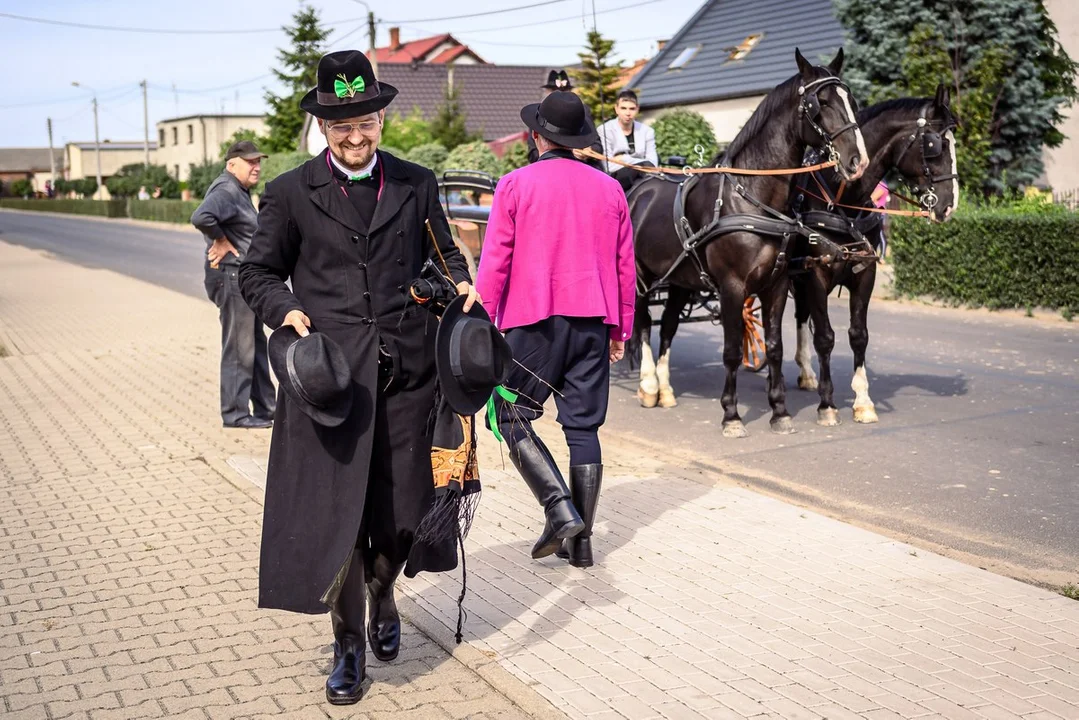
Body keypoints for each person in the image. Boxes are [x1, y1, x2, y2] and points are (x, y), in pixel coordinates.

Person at [238, 50, 478, 706]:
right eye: (339, 125)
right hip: (328, 382)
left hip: (409, 377)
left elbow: (446, 251)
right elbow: (255, 273)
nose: (353, 136)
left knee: (402, 515)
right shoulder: (289, 193)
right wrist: (284, 310)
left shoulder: (415, 182)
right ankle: (347, 643)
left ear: (380, 118)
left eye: (365, 122)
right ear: (320, 125)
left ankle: (384, 592)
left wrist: (461, 283)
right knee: (337, 518)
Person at [476, 91, 636, 569]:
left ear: (537, 136)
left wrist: (483, 319)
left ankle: (559, 509)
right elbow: (625, 266)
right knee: (583, 427)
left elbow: (496, 260)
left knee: (507, 415)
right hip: (593, 320)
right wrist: (620, 330)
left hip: (533, 321)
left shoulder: (514, 184)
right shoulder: (610, 188)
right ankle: (581, 544)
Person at [190, 140, 275, 429]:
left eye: (258, 161)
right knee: (240, 347)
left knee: (255, 344)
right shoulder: (226, 189)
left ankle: (266, 407)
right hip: (230, 276)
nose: (257, 167)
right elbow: (201, 216)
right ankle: (235, 414)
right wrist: (221, 240)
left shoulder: (238, 190)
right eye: (250, 162)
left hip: (242, 277)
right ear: (232, 164)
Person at [526, 69, 604, 170]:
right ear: (547, 92)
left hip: (581, 168)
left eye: (564, 91)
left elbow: (597, 146)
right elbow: (533, 155)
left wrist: (588, 151)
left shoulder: (582, 113)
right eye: (554, 91)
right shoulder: (538, 116)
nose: (560, 95)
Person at [597, 89, 658, 192]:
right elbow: (608, 166)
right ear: (616, 109)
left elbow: (652, 164)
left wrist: (624, 158)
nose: (628, 113)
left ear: (637, 109)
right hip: (616, 179)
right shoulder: (605, 129)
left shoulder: (647, 131)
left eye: (632, 109)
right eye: (623, 108)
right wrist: (642, 164)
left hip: (644, 179)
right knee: (627, 174)